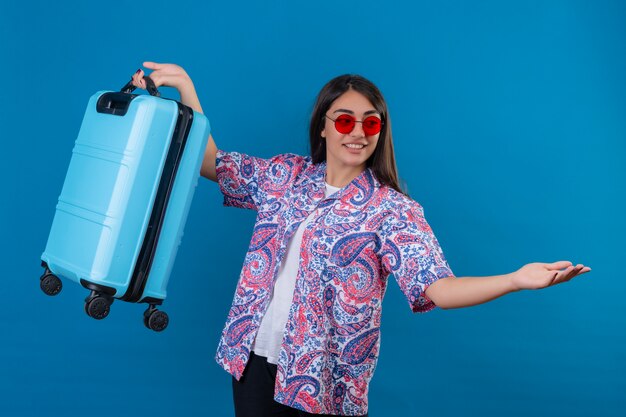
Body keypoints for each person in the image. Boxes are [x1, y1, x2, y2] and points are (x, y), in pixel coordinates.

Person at [131, 62, 591, 417]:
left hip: (325, 380)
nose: (357, 132)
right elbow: (212, 163)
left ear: (380, 131)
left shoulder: (394, 211)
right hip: (252, 361)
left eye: (370, 123)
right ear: (324, 126)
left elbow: (439, 289)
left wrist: (514, 279)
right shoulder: (286, 177)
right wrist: (187, 90)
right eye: (345, 120)